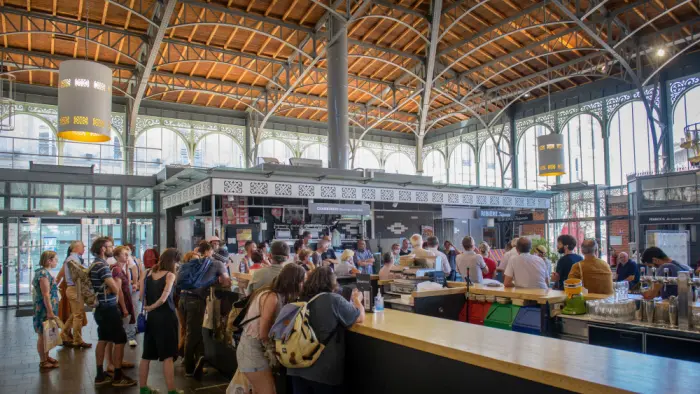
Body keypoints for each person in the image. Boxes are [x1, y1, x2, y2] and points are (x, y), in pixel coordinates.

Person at [287, 267, 365, 392]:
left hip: (297, 365)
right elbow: (359, 317)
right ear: (332, 282)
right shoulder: (333, 299)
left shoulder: (298, 298)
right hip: (322, 369)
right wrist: (357, 300)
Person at [237, 264, 306, 394]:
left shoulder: (273, 293)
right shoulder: (272, 297)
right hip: (253, 350)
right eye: (302, 281)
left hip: (252, 348)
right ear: (294, 282)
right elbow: (263, 332)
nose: (303, 284)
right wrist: (273, 350)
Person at [178, 240, 231, 378]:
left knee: (192, 332)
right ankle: (189, 369)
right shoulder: (218, 264)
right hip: (195, 302)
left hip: (183, 298)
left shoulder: (198, 262)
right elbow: (226, 282)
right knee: (193, 334)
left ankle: (196, 363)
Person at [89, 237, 137, 387]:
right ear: (103, 249)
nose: (112, 248)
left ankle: (100, 375)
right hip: (108, 308)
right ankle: (117, 376)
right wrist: (116, 284)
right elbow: (116, 289)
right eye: (110, 246)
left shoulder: (95, 264)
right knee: (120, 340)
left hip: (100, 308)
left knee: (103, 339)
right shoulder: (103, 266)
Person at [139, 248, 183, 394]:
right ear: (174, 261)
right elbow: (164, 298)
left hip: (151, 319)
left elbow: (141, 295)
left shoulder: (147, 273)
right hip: (166, 318)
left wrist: (147, 307)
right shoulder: (170, 275)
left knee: (146, 355)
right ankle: (171, 391)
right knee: (168, 356)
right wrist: (152, 307)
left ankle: (143, 388)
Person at [105, 246, 137, 373]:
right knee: (115, 336)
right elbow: (118, 291)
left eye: (127, 254)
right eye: (124, 254)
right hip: (118, 305)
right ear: (117, 256)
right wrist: (124, 308)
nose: (127, 257)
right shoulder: (117, 270)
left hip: (121, 303)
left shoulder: (120, 269)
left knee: (118, 334)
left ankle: (118, 360)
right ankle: (112, 363)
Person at [57, 240, 91, 348]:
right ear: (75, 248)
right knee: (78, 315)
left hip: (75, 289)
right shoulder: (72, 259)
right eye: (82, 247)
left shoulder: (74, 259)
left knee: (75, 314)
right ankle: (77, 340)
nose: (84, 249)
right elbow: (80, 274)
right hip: (74, 289)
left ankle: (63, 334)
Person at [33, 250, 60, 370]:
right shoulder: (43, 274)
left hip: (47, 307)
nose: (56, 262)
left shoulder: (44, 272)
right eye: (55, 260)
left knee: (48, 333)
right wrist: (49, 311)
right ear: (49, 260)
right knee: (43, 335)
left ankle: (46, 356)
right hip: (44, 309)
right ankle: (43, 361)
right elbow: (46, 294)